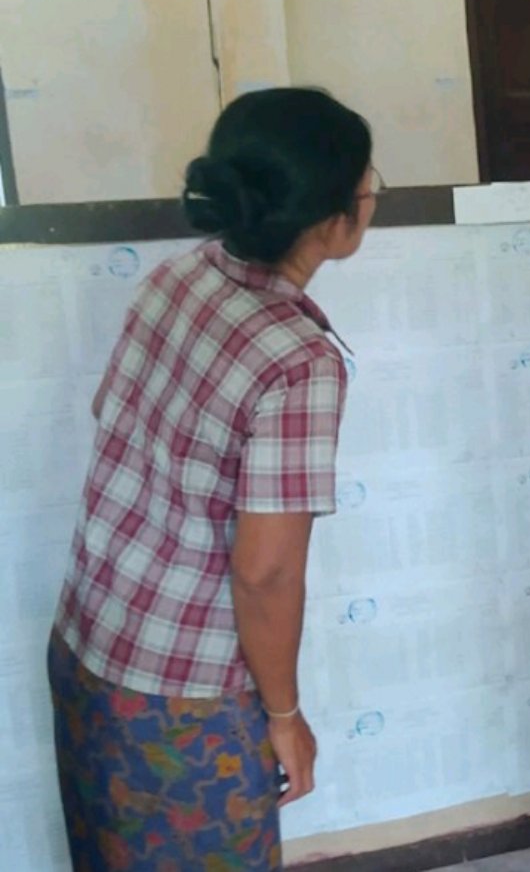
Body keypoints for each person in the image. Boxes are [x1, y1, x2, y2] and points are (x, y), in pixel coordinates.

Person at [48, 88, 379, 870]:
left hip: (87, 641)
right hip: (183, 701)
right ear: (333, 218)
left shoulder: (179, 277)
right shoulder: (298, 362)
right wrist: (284, 717)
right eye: (369, 182)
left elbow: (113, 419)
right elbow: (265, 573)